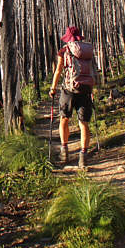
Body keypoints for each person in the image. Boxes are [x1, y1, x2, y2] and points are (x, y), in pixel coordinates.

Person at [48, 25, 97, 167]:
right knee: (84, 123)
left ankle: (64, 151)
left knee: (64, 119)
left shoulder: (64, 50)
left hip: (69, 90)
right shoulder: (87, 51)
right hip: (85, 89)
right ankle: (83, 155)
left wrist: (53, 88)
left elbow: (58, 71)